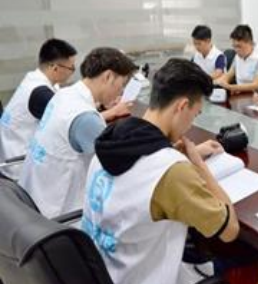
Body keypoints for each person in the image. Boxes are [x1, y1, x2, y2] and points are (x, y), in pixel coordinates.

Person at [82, 58, 240, 284]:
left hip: (102, 269)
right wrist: (199, 165)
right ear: (182, 106)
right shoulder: (172, 171)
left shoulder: (109, 139)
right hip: (142, 277)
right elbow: (230, 230)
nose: (191, 124)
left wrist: (177, 153)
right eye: (195, 114)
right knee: (252, 266)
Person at [18, 47, 136, 217]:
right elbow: (117, 167)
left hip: (31, 198)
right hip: (58, 216)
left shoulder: (65, 94)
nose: (121, 91)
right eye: (122, 84)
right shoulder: (85, 118)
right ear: (108, 77)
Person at [0, 39, 77, 177]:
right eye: (71, 68)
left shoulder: (33, 79)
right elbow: (72, 124)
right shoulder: (40, 93)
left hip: (11, 153)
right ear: (55, 68)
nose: (72, 72)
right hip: (19, 166)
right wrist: (110, 111)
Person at [215, 25, 258, 94]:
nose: (236, 50)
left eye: (239, 46)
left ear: (250, 43)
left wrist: (231, 87)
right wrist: (213, 82)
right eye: (234, 46)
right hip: (242, 95)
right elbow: (227, 76)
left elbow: (256, 85)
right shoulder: (237, 56)